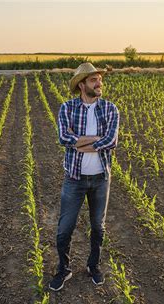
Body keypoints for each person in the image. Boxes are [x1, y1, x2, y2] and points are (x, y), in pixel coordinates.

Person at [49, 63, 119, 291]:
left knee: (98, 227)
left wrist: (81, 142)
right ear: (82, 85)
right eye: (93, 80)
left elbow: (111, 141)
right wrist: (95, 141)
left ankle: (93, 266)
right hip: (74, 178)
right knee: (64, 229)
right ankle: (63, 269)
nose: (99, 83)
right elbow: (63, 138)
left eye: (100, 79)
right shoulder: (67, 108)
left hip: (101, 178)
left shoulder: (110, 109)